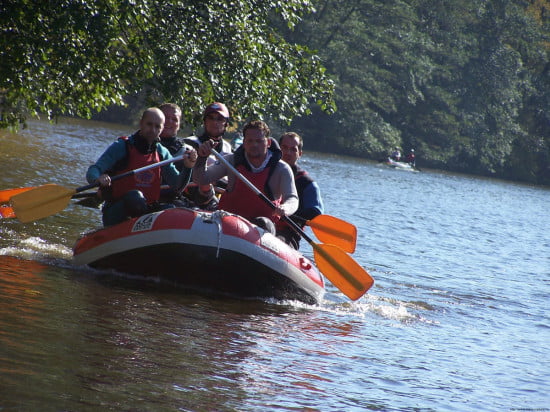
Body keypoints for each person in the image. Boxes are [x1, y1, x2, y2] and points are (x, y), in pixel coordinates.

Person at [86, 107, 195, 226]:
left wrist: (188, 167)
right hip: (117, 212)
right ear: (141, 123)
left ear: (162, 128)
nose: (152, 130)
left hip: (144, 212)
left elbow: (177, 186)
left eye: (157, 126)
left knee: (170, 209)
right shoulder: (122, 146)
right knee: (135, 197)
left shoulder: (161, 152)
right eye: (149, 124)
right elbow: (93, 170)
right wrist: (98, 179)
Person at [192, 120, 298, 234]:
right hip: (227, 224)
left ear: (268, 143)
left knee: (263, 223)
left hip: (261, 230)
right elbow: (200, 179)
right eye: (250, 141)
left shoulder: (281, 169)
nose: (254, 145)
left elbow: (292, 199)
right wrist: (202, 157)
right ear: (244, 142)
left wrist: (285, 208)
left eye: (259, 141)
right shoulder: (231, 160)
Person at [277, 132, 324, 249]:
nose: (288, 153)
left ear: (300, 154)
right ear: (278, 149)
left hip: (288, 234)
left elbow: (315, 213)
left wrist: (288, 212)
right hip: (262, 225)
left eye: (293, 149)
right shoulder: (266, 171)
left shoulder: (308, 184)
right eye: (284, 148)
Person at [183, 102, 233, 209]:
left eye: (219, 119)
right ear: (205, 122)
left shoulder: (229, 149)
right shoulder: (190, 143)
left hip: (219, 198)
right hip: (193, 198)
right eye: (211, 118)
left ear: (226, 124)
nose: (215, 122)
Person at [158, 103, 199, 205]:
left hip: (172, 201)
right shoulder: (141, 144)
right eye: (166, 117)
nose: (169, 122)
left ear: (179, 125)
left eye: (175, 119)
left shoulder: (186, 151)